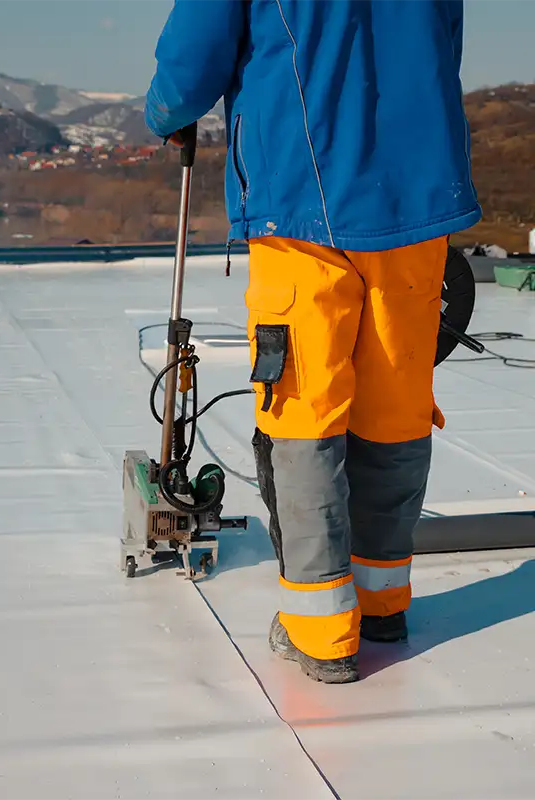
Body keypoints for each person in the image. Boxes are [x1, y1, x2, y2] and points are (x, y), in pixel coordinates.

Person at [144, 0, 481, 684]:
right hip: (418, 199)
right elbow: (444, 43)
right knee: (395, 406)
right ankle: (382, 600)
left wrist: (165, 112)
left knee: (305, 411)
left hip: (303, 197)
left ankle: (322, 631)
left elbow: (193, 55)